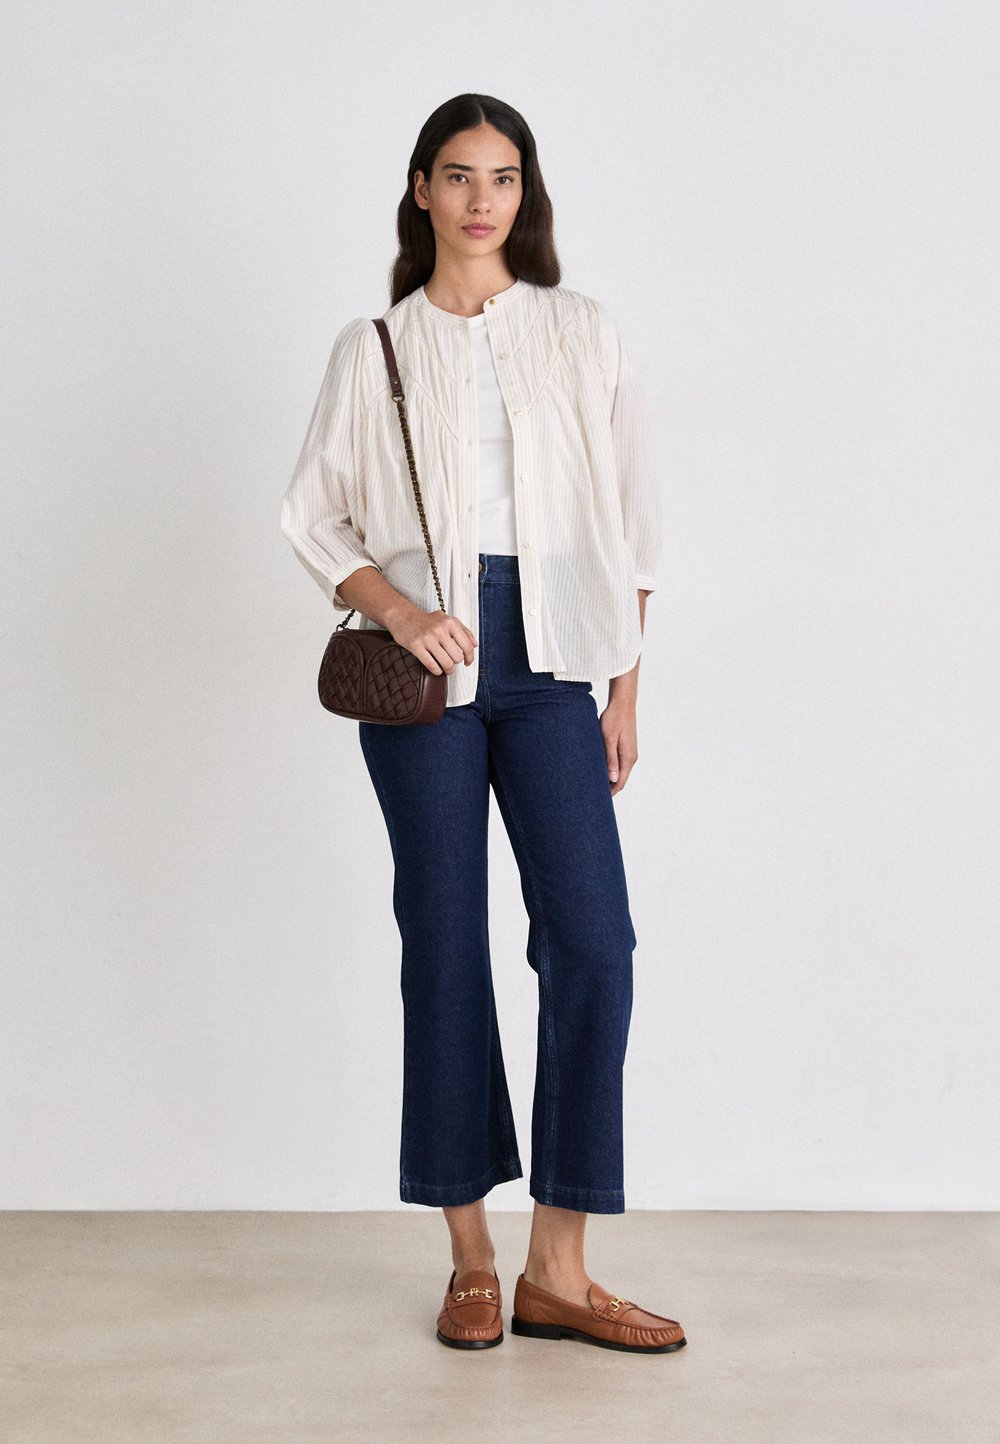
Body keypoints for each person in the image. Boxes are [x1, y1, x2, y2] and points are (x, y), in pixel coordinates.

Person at [281, 93, 686, 1356]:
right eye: (456, 175)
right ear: (420, 191)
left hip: (559, 653)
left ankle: (557, 1268)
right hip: (433, 665)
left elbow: (632, 513)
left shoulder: (580, 330)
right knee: (443, 941)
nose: (479, 198)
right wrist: (400, 610)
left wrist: (625, 681)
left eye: (501, 176)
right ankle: (467, 1255)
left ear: (526, 193)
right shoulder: (377, 347)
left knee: (595, 941)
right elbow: (312, 517)